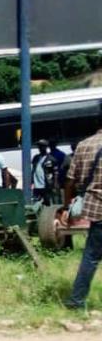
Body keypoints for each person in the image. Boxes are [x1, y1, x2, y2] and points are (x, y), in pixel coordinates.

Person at [63, 126, 102, 309]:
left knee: (91, 258)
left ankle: (77, 301)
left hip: (96, 209)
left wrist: (66, 207)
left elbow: (70, 181)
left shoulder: (84, 145)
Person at [32, 139, 59, 205]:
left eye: (42, 146)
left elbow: (55, 173)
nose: (40, 148)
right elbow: (33, 170)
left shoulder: (51, 159)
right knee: (36, 204)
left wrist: (55, 185)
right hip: (36, 187)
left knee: (47, 204)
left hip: (46, 186)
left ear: (46, 147)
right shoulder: (36, 158)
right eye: (39, 146)